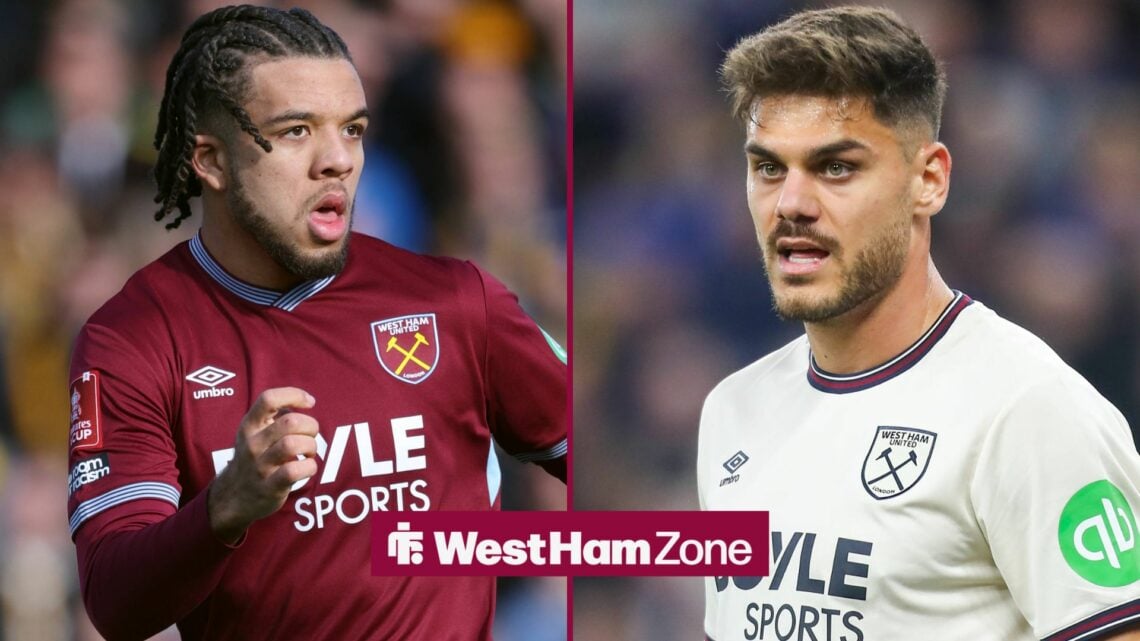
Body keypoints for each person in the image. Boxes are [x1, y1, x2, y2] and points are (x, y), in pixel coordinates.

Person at [65, 5, 567, 640]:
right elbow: (115, 601)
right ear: (211, 161)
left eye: (352, 129)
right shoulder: (133, 338)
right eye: (297, 130)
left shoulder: (458, 302)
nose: (338, 160)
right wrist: (227, 505)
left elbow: (609, 471)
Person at [697, 6, 1140, 641]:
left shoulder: (1028, 409)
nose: (791, 203)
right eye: (769, 168)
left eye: (836, 167)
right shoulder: (732, 410)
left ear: (928, 180)